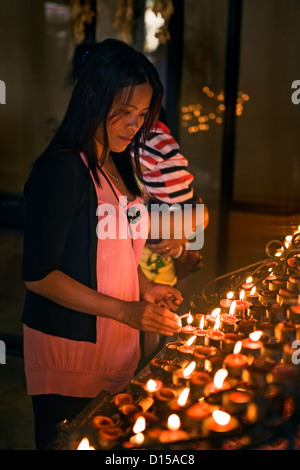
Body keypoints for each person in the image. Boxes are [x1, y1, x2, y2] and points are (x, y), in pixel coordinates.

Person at [21, 38, 183, 450]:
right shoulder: (62, 170)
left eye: (143, 114)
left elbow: (117, 251)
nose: (135, 125)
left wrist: (146, 289)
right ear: (93, 98)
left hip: (117, 348)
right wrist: (127, 311)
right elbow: (40, 276)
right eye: (125, 112)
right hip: (71, 352)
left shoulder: (119, 163)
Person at [133, 108, 209, 287]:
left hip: (167, 278)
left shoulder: (163, 181)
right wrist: (187, 224)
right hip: (135, 284)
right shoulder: (125, 180)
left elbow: (201, 213)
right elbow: (135, 227)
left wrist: (181, 237)